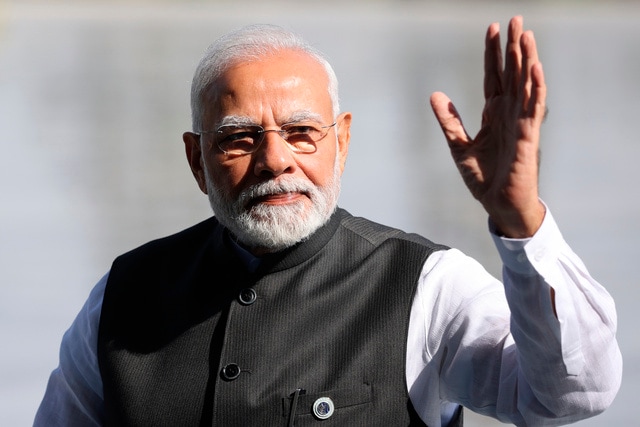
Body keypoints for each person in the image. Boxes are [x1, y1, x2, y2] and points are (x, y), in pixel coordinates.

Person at [34, 16, 622, 427]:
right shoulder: (125, 297)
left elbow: (572, 395)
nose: (276, 160)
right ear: (196, 159)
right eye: (239, 139)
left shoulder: (424, 286)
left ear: (340, 141)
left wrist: (522, 222)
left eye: (301, 133)